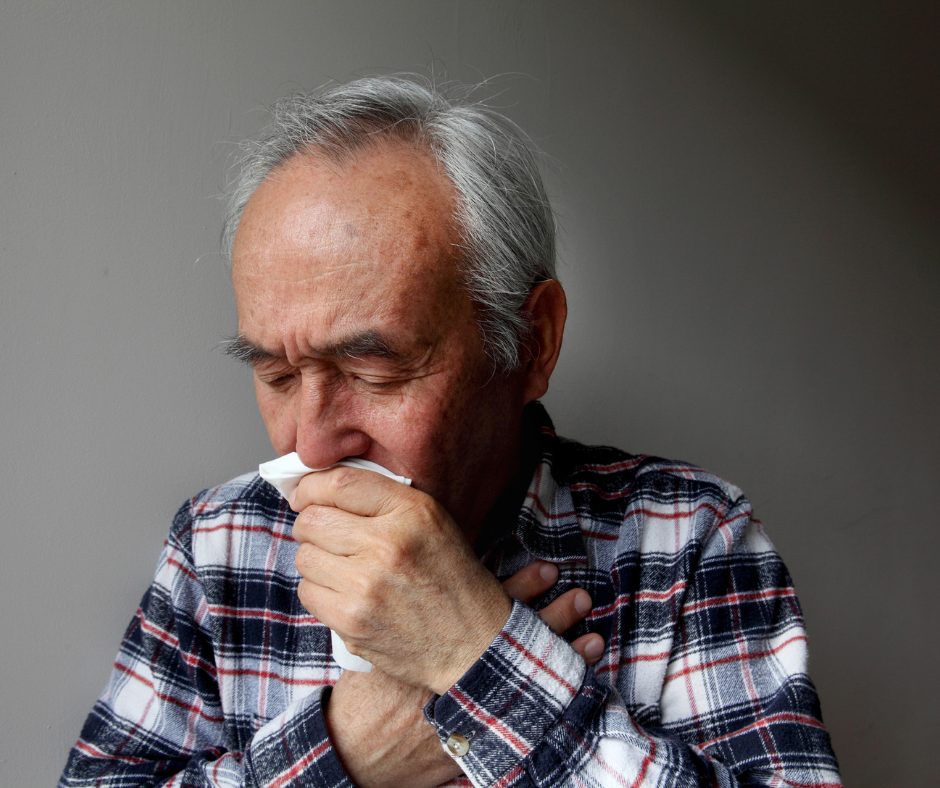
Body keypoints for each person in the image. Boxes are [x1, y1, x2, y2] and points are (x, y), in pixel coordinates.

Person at [60, 76, 841, 787]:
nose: (313, 444)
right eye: (276, 374)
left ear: (531, 343)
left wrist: (478, 657)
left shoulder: (686, 539)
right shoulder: (219, 544)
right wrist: (347, 756)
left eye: (375, 370)